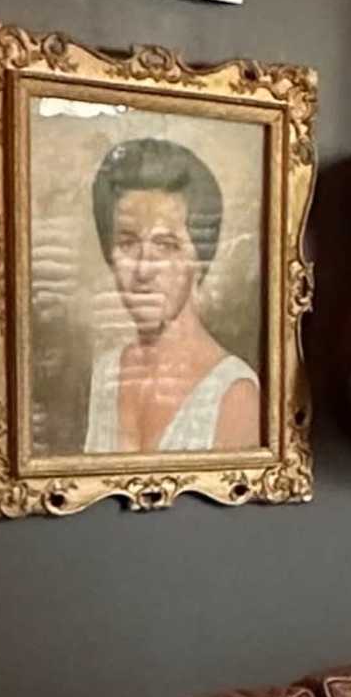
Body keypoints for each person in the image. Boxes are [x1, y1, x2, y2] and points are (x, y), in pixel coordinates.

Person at [80, 132, 264, 455]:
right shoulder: (106, 374)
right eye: (127, 243)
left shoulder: (235, 394)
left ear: (199, 258)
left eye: (166, 245)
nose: (144, 269)